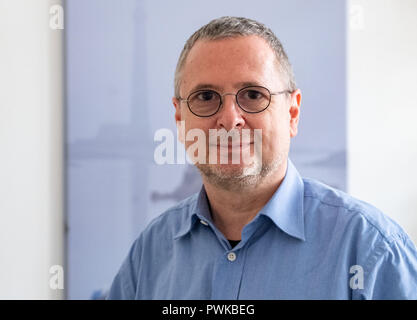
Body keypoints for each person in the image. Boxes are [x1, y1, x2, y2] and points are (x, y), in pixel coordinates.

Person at [107, 16, 417, 299]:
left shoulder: (370, 250)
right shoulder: (150, 253)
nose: (229, 120)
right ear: (179, 117)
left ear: (292, 113)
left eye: (253, 95)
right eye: (205, 97)